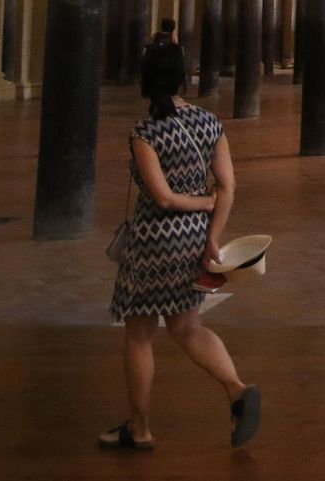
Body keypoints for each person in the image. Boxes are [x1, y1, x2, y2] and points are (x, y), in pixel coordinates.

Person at [100, 42, 261, 452]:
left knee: (139, 335)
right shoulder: (210, 123)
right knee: (188, 326)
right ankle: (237, 389)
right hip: (194, 239)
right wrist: (212, 233)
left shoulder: (145, 133)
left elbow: (164, 198)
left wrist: (200, 203)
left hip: (153, 243)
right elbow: (228, 185)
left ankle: (140, 429)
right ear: (181, 77)